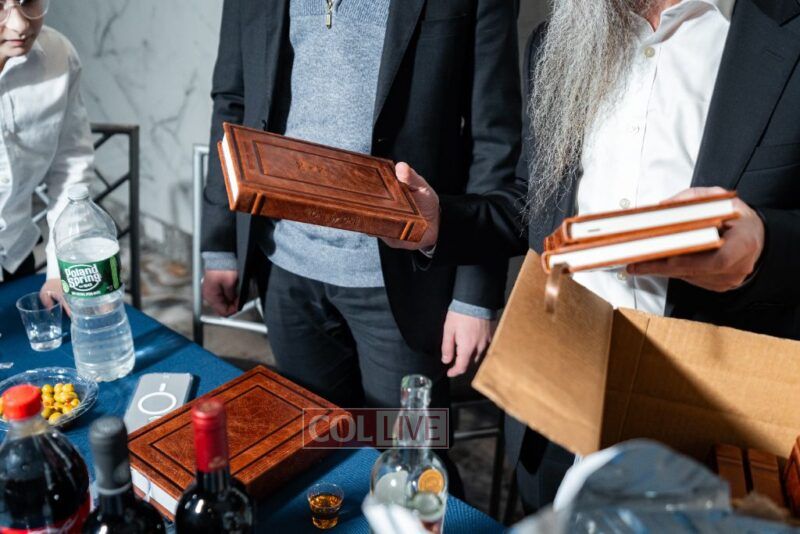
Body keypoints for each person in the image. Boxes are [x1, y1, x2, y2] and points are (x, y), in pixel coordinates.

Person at [383, 0, 800, 512]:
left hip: (713, 423)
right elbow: (534, 203)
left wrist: (762, 249)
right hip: (560, 401)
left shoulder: (787, 32)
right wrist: (440, 222)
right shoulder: (555, 39)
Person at [201, 0, 520, 419]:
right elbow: (233, 100)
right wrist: (221, 242)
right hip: (284, 266)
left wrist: (474, 295)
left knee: (409, 448)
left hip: (406, 279)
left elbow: (493, 139)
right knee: (316, 441)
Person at [0, 0, 93, 304]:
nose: (20, 25)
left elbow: (71, 165)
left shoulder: (58, 55)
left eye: (28, 2)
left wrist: (60, 267)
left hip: (15, 254)